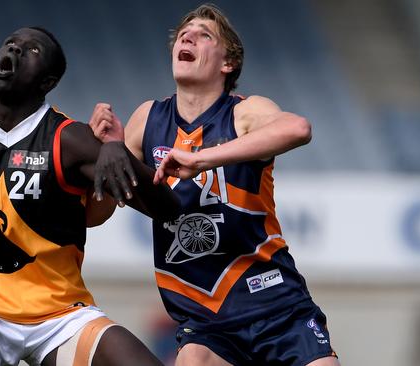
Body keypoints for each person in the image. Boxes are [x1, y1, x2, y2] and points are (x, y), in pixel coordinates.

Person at [0, 26, 180, 366]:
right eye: (10, 44)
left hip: (61, 315)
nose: (14, 51)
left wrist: (117, 149)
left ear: (48, 82)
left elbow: (168, 208)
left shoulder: (70, 140)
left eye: (31, 50)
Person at [89, 4, 340, 366]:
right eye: (183, 34)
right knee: (191, 360)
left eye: (204, 35)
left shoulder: (244, 112)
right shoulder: (148, 118)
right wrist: (109, 152)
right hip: (205, 317)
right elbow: (97, 214)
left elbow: (298, 129)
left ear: (228, 63)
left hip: (275, 303)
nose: (187, 37)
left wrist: (202, 159)